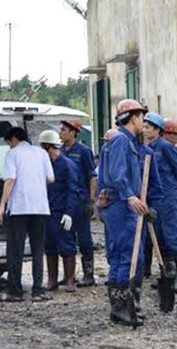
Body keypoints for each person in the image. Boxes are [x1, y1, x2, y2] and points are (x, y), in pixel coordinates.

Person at [97, 99, 155, 327]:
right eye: (142, 117)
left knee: (134, 256)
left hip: (125, 205)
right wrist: (130, 196)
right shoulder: (121, 140)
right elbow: (117, 174)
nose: (144, 122)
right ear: (134, 117)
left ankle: (130, 303)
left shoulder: (127, 141)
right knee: (124, 256)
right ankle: (119, 308)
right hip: (121, 205)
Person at [0, 127, 54, 302]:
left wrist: (2, 205)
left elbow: (10, 179)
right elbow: (51, 178)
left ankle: (15, 291)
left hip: (19, 208)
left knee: (15, 251)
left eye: (8, 143)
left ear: (13, 139)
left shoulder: (13, 155)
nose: (9, 146)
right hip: (40, 208)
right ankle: (38, 290)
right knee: (38, 250)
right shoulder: (42, 153)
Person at [143, 112, 177, 293]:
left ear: (157, 129)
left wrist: (175, 191)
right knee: (160, 236)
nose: (145, 130)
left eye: (148, 127)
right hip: (157, 198)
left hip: (170, 196)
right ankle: (169, 276)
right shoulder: (148, 148)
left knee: (173, 235)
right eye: (144, 126)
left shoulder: (166, 147)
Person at [37, 130, 80, 293]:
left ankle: (70, 280)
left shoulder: (67, 165)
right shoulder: (45, 165)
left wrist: (69, 212)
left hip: (61, 211)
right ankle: (52, 280)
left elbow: (73, 190)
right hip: (47, 210)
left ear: (48, 146)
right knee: (49, 246)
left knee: (67, 245)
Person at [59, 119, 97, 287]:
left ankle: (89, 275)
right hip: (65, 201)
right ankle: (69, 275)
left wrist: (91, 200)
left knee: (84, 239)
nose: (61, 133)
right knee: (66, 237)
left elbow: (91, 176)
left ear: (73, 132)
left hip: (81, 200)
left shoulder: (83, 151)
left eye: (64, 130)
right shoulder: (59, 151)